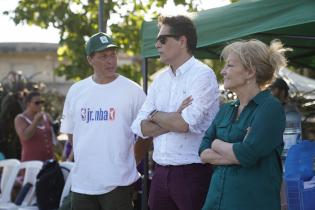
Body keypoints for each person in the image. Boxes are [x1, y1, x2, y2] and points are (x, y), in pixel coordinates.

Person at [131, 15, 220, 210]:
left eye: (162, 39)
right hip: (160, 172)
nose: (157, 45)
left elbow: (184, 124)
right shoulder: (160, 80)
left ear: (182, 41)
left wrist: (154, 113)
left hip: (193, 173)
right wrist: (172, 116)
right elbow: (139, 126)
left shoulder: (203, 75)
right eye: (156, 40)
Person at [199, 39, 290, 210]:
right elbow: (203, 151)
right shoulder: (227, 108)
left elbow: (246, 155)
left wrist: (217, 144)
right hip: (215, 202)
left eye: (230, 66)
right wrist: (233, 152)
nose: (223, 71)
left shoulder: (270, 108)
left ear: (250, 72)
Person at [60, 32, 146, 210]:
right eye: (103, 56)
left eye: (113, 55)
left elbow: (147, 132)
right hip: (82, 184)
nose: (111, 61)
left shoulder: (133, 91)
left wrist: (134, 159)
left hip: (118, 183)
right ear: (90, 60)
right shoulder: (77, 90)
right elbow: (71, 133)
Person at [14, 91, 55, 161]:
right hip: (31, 163)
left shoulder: (45, 116)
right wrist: (35, 122)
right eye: (37, 103)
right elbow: (25, 136)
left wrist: (55, 125)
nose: (40, 105)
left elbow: (53, 137)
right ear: (28, 104)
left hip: (49, 162)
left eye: (41, 102)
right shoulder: (20, 119)